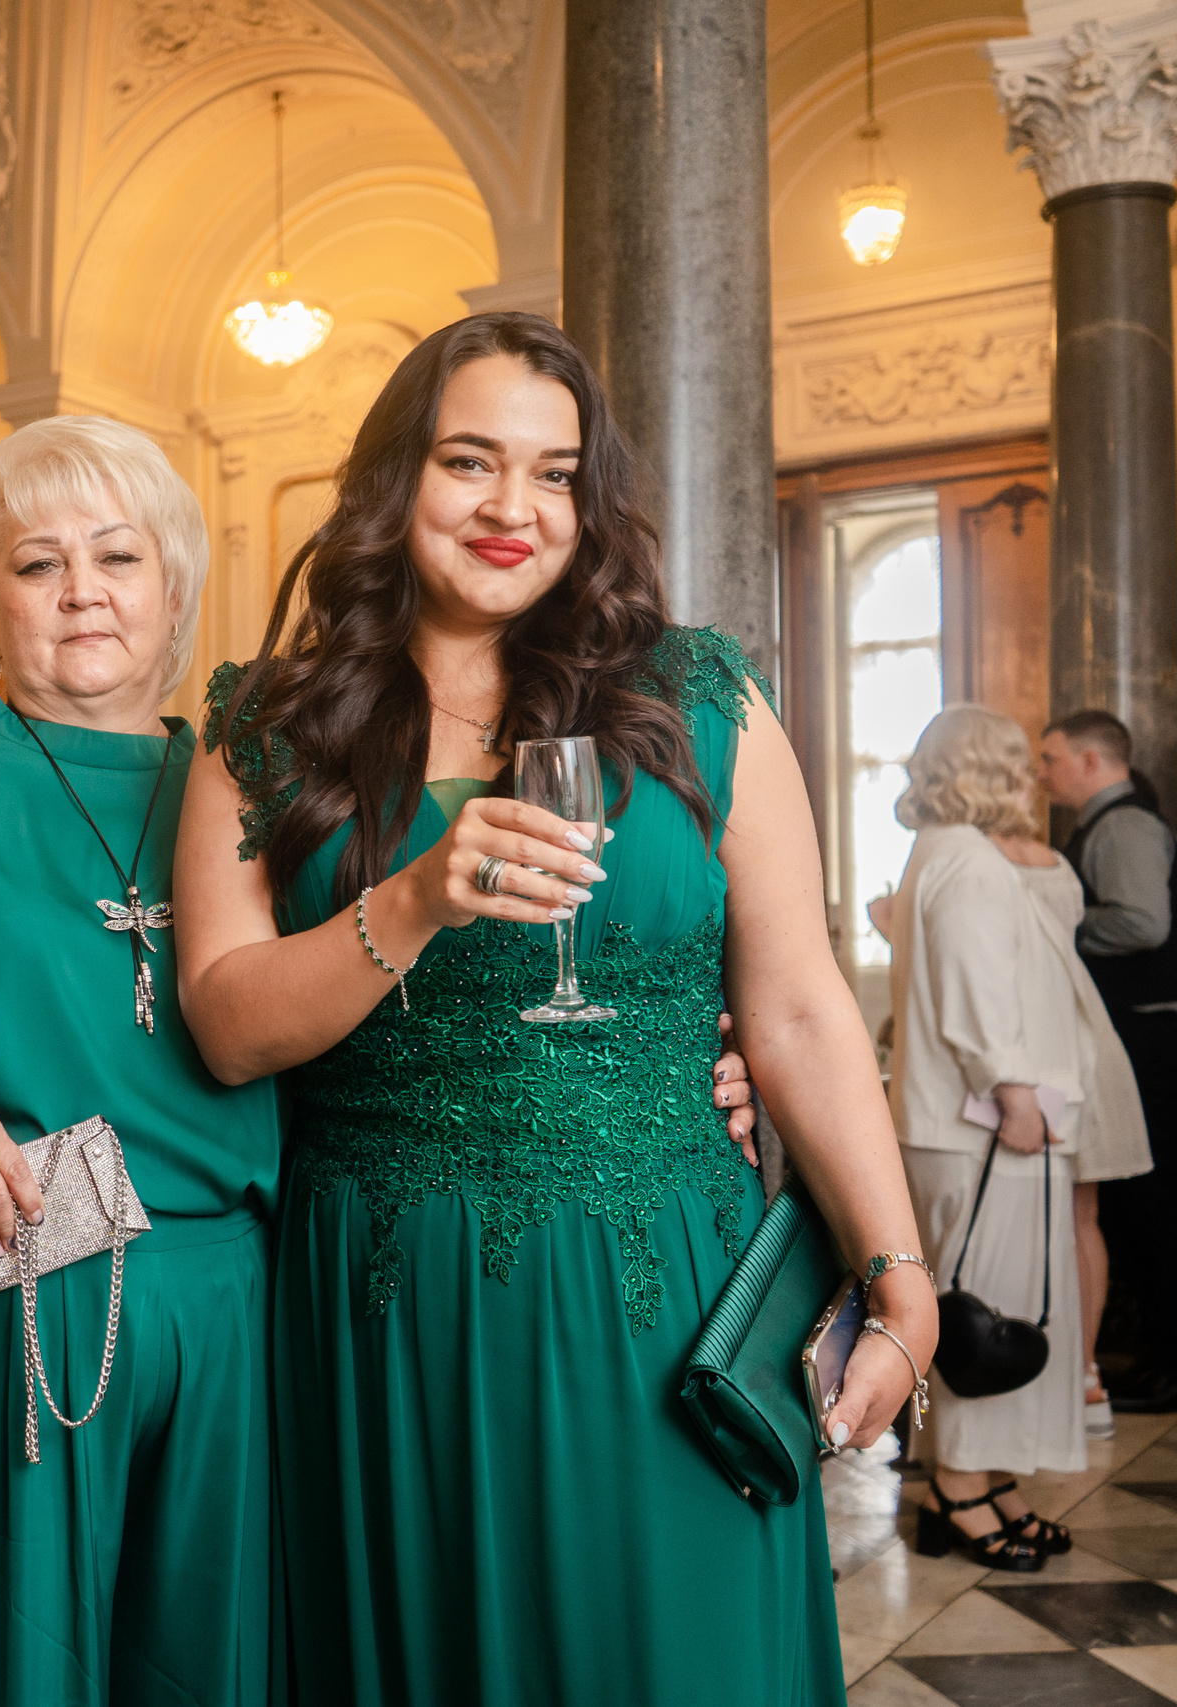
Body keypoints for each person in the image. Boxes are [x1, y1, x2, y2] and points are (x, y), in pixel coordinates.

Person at [0, 413, 768, 1706]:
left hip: (243, 1308)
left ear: (176, 586)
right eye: (37, 562)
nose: (82, 591)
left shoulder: (274, 781)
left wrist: (686, 1059)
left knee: (211, 1671)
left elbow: (421, 1017)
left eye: (118, 555)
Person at [174, 312, 934, 1705]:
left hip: (667, 1282)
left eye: (556, 473)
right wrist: (414, 900)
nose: (513, 507)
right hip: (389, 1296)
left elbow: (800, 1011)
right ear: (396, 476)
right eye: (470, 460)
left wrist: (901, 1275)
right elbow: (226, 1025)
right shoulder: (265, 729)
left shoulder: (699, 697)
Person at [883, 707, 1148, 1569]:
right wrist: (1015, 1093)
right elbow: (978, 998)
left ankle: (990, 1480)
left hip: (970, 1125)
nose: (1032, 776)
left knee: (986, 1301)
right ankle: (959, 1489)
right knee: (984, 1309)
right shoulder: (966, 859)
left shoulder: (945, 851)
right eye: (1016, 760)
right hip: (986, 1124)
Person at [1038, 712, 1177, 1412]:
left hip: (1151, 1033)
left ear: (1091, 761)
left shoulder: (1124, 825)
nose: (1042, 773)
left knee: (1161, 1207)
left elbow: (1143, 923)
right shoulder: (1109, 825)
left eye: (1051, 758)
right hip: (1146, 1033)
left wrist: (1052, 923)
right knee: (1144, 1206)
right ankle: (1162, 1359)